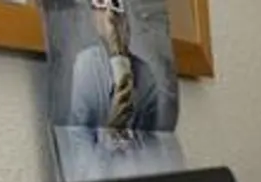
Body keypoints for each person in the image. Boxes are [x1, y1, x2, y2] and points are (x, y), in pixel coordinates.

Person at [62, 0, 177, 132]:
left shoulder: (146, 74)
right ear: (93, 16)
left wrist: (118, 54)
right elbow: (78, 142)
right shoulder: (85, 65)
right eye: (101, 4)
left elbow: (150, 141)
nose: (110, 16)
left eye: (116, 4)